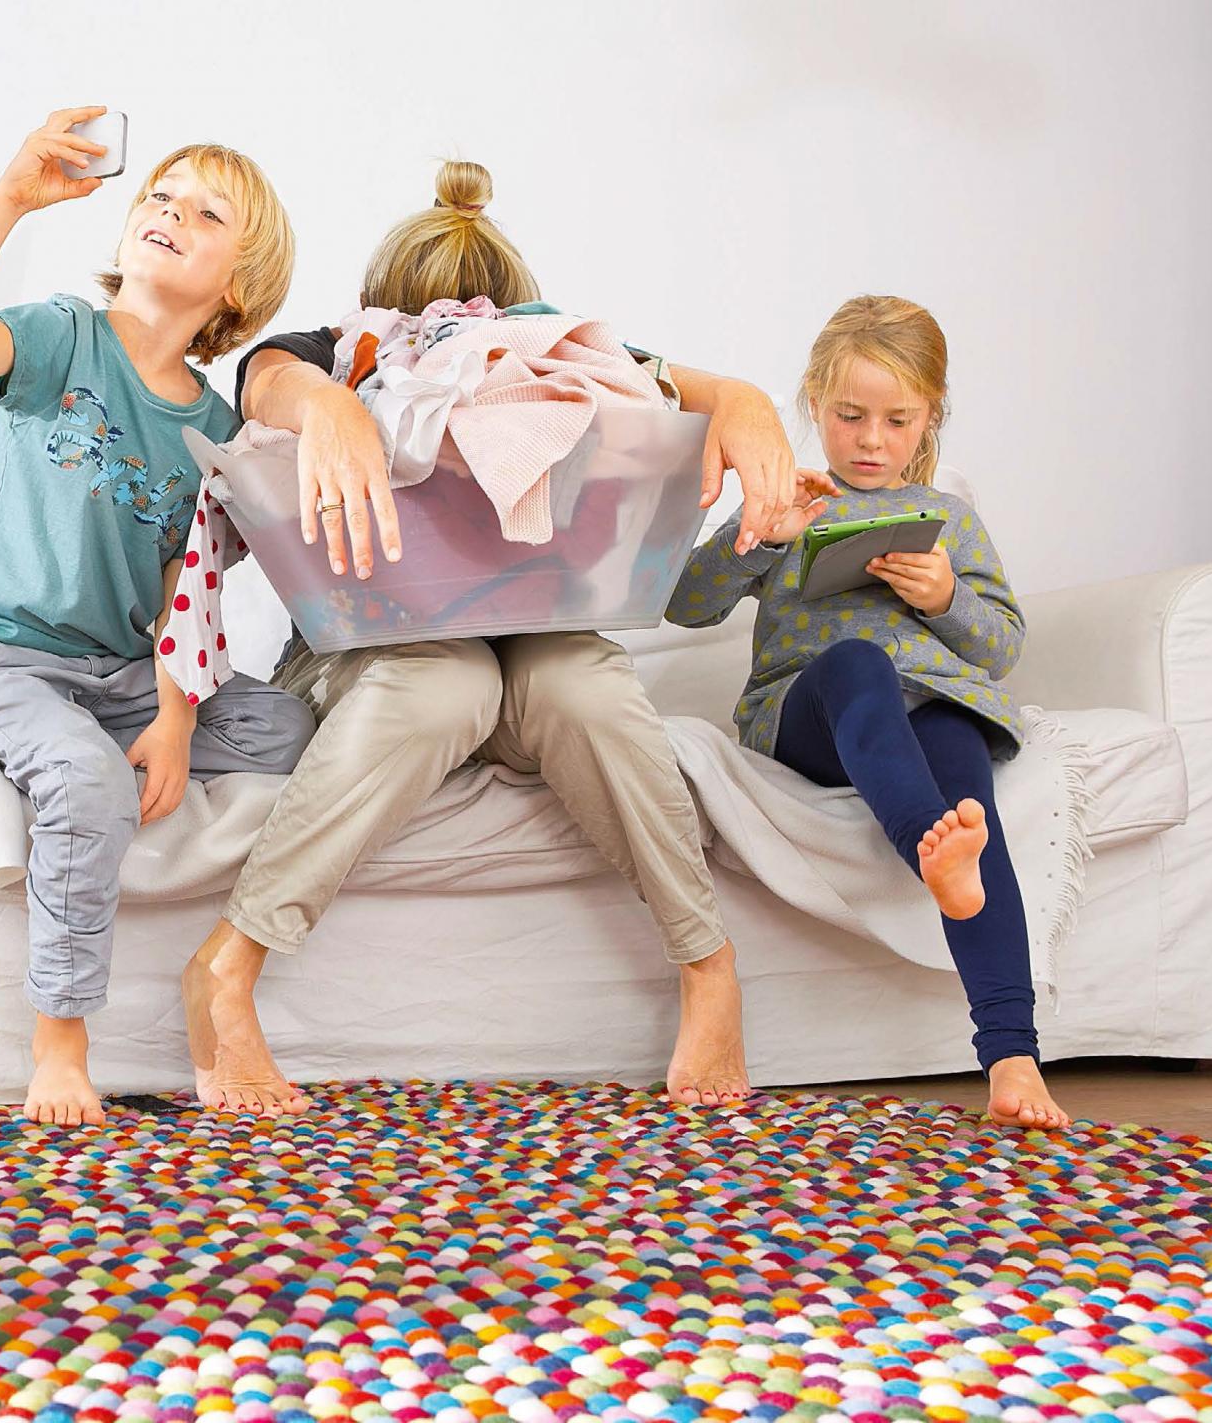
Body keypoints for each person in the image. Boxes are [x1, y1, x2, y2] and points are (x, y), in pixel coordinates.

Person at [182, 160, 805, 1114]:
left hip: (537, 643)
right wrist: (334, 403)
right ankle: (228, 963)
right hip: (370, 648)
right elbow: (267, 377)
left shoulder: (557, 354)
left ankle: (706, 964)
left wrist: (747, 407)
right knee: (448, 680)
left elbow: (706, 390)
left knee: (578, 684)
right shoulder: (329, 348)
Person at [0, 108, 317, 1126]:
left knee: (287, 729)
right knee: (87, 782)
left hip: (120, 675)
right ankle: (60, 1039)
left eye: (207, 212)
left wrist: (172, 718)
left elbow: (187, 586)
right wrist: (10, 197)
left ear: (238, 284)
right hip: (0, 655)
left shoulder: (215, 425)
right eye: (161, 195)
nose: (170, 211)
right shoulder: (61, 336)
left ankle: (35, 750)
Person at [665, 293, 1068, 1129]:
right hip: (812, 710)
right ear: (814, 404)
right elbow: (685, 607)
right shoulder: (790, 498)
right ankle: (926, 844)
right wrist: (763, 535)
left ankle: (1010, 1057)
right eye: (849, 417)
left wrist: (945, 596)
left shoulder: (950, 521)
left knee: (967, 789)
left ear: (930, 417)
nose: (871, 441)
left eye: (896, 420)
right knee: (857, 661)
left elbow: (998, 649)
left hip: (935, 704)